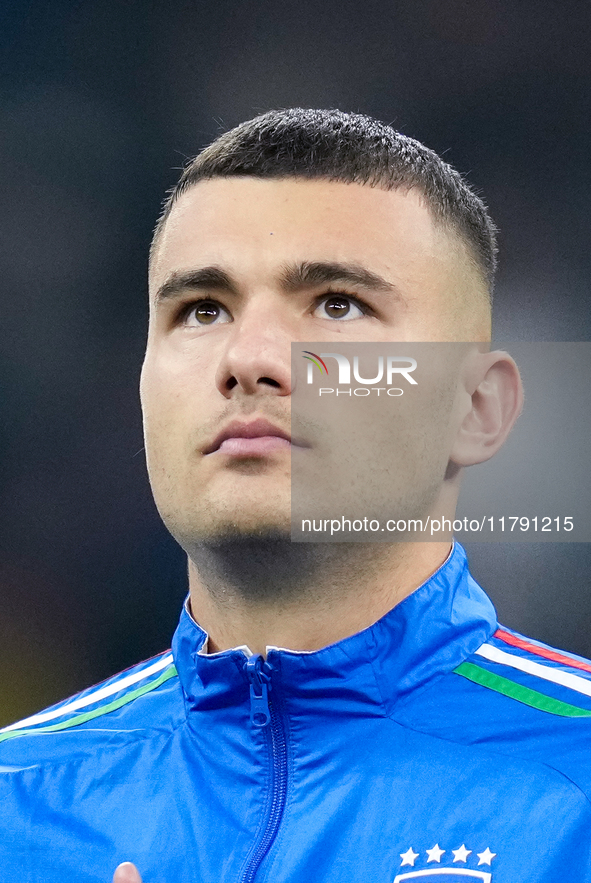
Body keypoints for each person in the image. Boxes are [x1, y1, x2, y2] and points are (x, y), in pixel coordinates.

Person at [1, 108, 590, 883]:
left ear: (475, 409)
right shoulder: (17, 808)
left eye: (337, 303)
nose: (249, 359)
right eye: (201, 310)